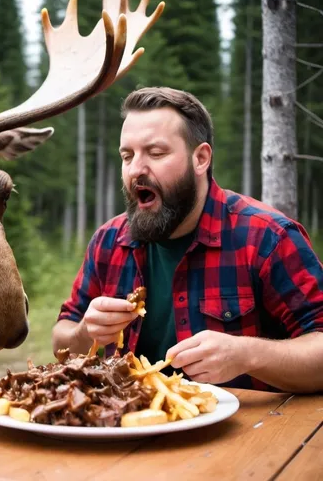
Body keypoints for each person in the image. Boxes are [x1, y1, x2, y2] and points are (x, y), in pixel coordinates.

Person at [52, 87, 323, 394]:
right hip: (126, 430)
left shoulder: (267, 238)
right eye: (127, 156)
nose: (136, 170)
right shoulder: (108, 242)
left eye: (156, 153)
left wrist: (248, 355)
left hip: (246, 436)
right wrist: (84, 333)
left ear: (201, 158)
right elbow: (62, 337)